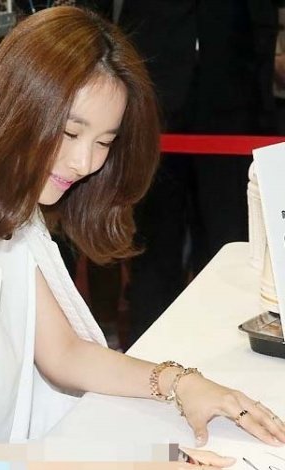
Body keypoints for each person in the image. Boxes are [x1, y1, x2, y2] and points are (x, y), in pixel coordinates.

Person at [0, 7, 284, 470]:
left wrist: (181, 382)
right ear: (17, 104)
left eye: (103, 142)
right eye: (70, 132)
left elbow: (64, 352)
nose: (83, 163)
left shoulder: (3, 192)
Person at [119, 0, 279, 344]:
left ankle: (226, 348)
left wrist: (262, 102)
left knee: (227, 240)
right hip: (153, 90)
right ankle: (148, 351)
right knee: (153, 244)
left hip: (231, 100)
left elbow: (262, 16)